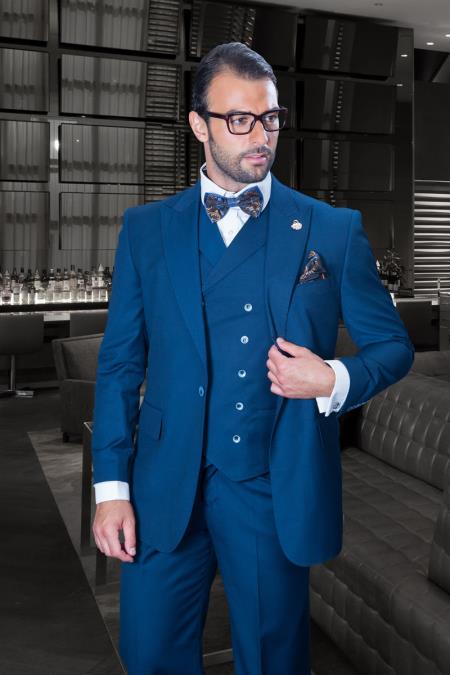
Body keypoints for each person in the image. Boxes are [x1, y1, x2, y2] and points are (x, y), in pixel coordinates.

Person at [91, 42, 414, 675]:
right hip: (163, 485)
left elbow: (394, 347)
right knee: (150, 656)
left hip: (272, 484)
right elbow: (120, 366)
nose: (260, 135)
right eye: (239, 119)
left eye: (269, 118)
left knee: (271, 661)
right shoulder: (146, 230)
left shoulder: (330, 229)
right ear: (198, 125)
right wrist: (110, 489)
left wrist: (332, 378)